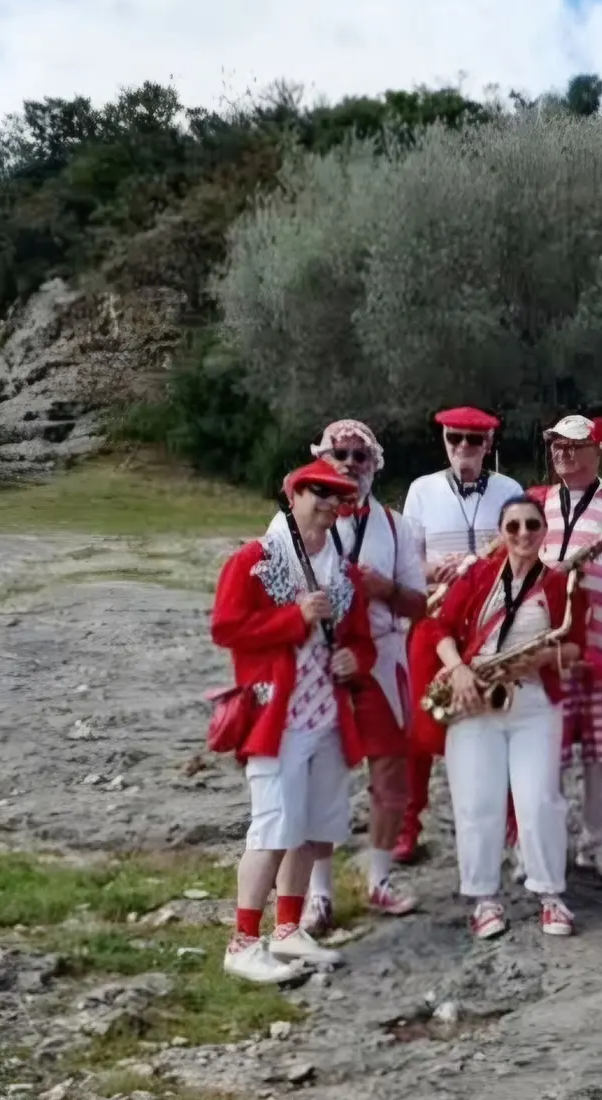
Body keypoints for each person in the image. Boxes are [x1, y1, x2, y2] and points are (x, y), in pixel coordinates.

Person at [210, 460, 374, 983]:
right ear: (294, 493)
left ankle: (287, 929)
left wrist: (356, 661)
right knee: (274, 824)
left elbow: (362, 640)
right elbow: (227, 628)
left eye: (337, 496)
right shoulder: (255, 560)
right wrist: (294, 618)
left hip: (326, 716)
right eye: (318, 492)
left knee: (309, 827)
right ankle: (242, 940)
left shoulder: (344, 572)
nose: (328, 503)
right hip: (275, 716)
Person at [413, 496, 586, 938]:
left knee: (540, 800)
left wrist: (547, 655)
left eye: (532, 525)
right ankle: (483, 899)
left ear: (543, 531)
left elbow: (577, 645)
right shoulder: (477, 576)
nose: (524, 534)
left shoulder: (560, 583)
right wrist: (460, 670)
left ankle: (550, 894)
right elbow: (437, 628)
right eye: (513, 527)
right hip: (474, 699)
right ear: (501, 532)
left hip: (533, 703)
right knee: (476, 804)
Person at [283, 422, 427, 935]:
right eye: (338, 454)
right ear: (320, 459)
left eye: (358, 456)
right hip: (319, 660)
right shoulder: (299, 521)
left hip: (384, 655)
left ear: (375, 463)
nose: (348, 463)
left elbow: (420, 603)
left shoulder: (397, 526)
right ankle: (318, 894)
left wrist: (383, 587)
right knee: (321, 774)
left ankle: (379, 880)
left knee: (391, 773)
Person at [397, 407, 526, 862]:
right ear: (444, 440)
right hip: (433, 614)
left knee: (502, 717)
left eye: (474, 440)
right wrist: (435, 567)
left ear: (489, 444)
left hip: (490, 619)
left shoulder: (510, 490)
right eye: (455, 439)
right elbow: (407, 557)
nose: (463, 449)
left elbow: (525, 547)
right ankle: (407, 826)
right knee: (418, 722)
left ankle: (513, 824)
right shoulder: (421, 490)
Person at [528, 414, 602, 884]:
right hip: (548, 649)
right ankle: (545, 843)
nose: (564, 453)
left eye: (574, 445)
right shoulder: (535, 501)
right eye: (557, 445)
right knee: (545, 756)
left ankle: (601, 842)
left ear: (598, 450)